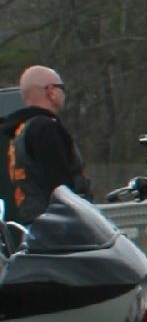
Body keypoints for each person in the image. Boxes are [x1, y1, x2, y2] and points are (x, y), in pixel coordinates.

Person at [5, 67, 92, 224]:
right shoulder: (45, 128)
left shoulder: (22, 130)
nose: (63, 93)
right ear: (50, 91)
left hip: (37, 221)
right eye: (61, 88)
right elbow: (60, 188)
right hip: (58, 225)